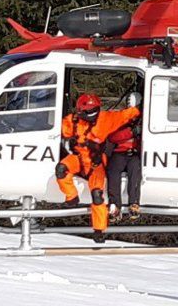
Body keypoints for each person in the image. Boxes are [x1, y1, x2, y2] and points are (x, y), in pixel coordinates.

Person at [54, 93, 140, 241]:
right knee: (61, 169)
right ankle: (72, 197)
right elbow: (56, 129)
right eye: (89, 111)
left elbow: (124, 115)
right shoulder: (71, 121)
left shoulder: (106, 119)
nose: (92, 114)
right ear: (80, 111)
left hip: (95, 163)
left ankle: (99, 230)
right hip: (78, 158)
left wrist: (139, 109)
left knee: (97, 195)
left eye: (95, 110)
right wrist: (67, 141)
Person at [104, 92, 142, 220]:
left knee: (135, 170)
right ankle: (114, 204)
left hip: (135, 154)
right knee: (113, 171)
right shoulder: (121, 119)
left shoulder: (145, 121)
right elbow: (113, 136)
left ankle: (134, 202)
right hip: (119, 152)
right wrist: (131, 132)